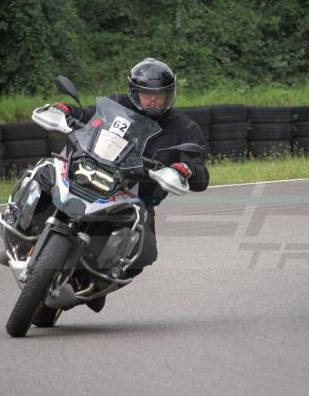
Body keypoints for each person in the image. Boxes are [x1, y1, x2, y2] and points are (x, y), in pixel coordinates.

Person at [52, 58, 209, 312]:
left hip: (135, 200)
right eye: (147, 94)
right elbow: (88, 116)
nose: (154, 100)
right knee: (47, 172)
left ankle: (95, 283)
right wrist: (67, 110)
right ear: (134, 93)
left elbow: (200, 172)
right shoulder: (116, 105)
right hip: (92, 176)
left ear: (170, 94)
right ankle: (21, 220)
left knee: (144, 253)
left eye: (160, 95)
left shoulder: (185, 128)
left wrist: (185, 169)